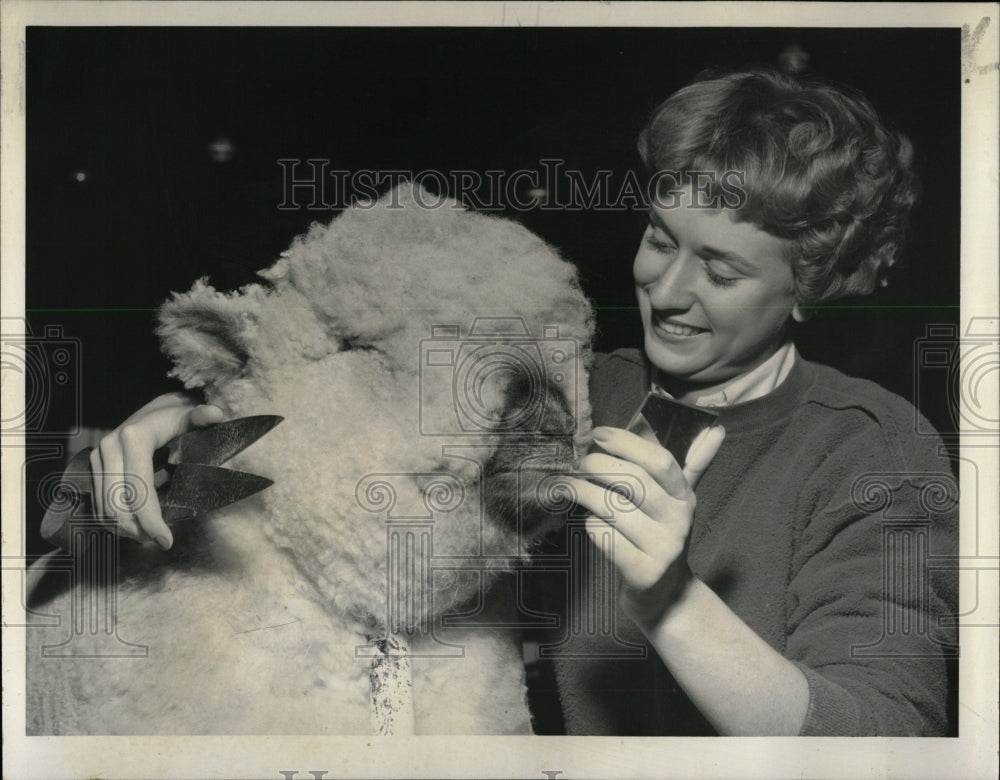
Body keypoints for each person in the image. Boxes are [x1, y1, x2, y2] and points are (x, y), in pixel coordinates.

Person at [75, 68, 957, 736]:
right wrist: (181, 429)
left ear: (812, 286)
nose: (667, 288)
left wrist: (673, 600)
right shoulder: (575, 386)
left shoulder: (874, 449)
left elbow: (886, 736)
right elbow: (330, 457)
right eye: (659, 238)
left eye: (720, 269)